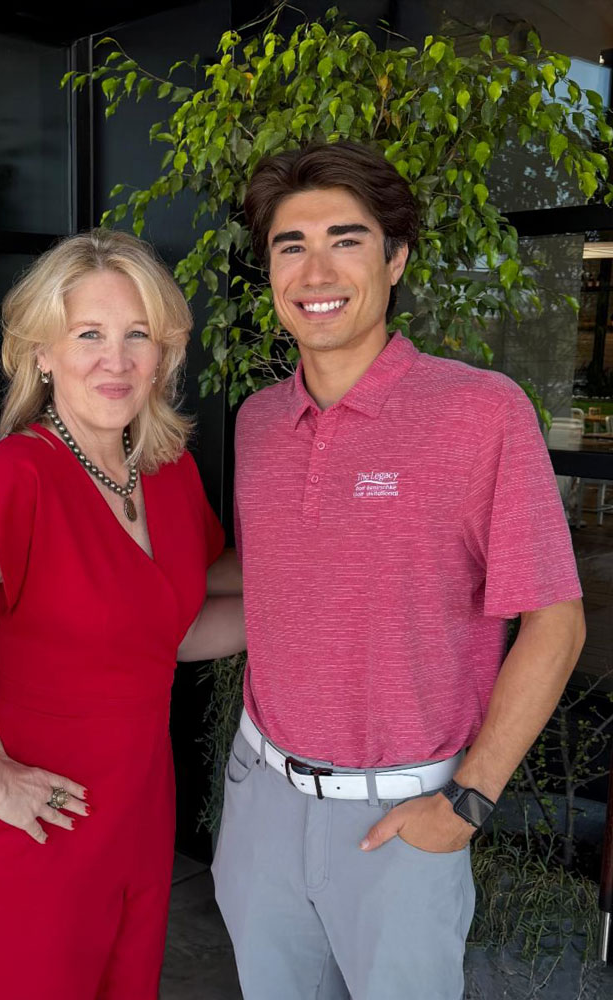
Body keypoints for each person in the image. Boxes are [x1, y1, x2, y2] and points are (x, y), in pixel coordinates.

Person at [213, 140, 585, 1000]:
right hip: (261, 797)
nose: (316, 269)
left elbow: (556, 623)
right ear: (269, 268)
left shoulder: (480, 412)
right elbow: (271, 579)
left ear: (396, 256)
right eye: (288, 244)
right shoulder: (260, 424)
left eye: (346, 238)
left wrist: (469, 803)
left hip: (406, 815)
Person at [0, 227, 245, 1000]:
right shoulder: (19, 479)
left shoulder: (165, 474)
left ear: (164, 353)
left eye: (139, 335)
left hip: (137, 807)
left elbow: (169, 631)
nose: (117, 358)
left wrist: (316, 606)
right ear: (41, 352)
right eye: (88, 334)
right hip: (35, 817)